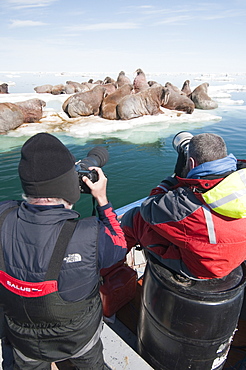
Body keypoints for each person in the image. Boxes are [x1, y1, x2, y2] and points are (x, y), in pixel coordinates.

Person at [0, 133, 127, 370]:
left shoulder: (3, 217)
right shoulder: (89, 233)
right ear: (70, 185)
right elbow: (119, 246)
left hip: (22, 338)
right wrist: (102, 200)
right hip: (78, 338)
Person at [121, 132, 246, 279]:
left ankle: (116, 270)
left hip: (204, 268)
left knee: (134, 218)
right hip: (237, 256)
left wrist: (174, 178)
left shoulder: (186, 204)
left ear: (191, 163)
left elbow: (148, 210)